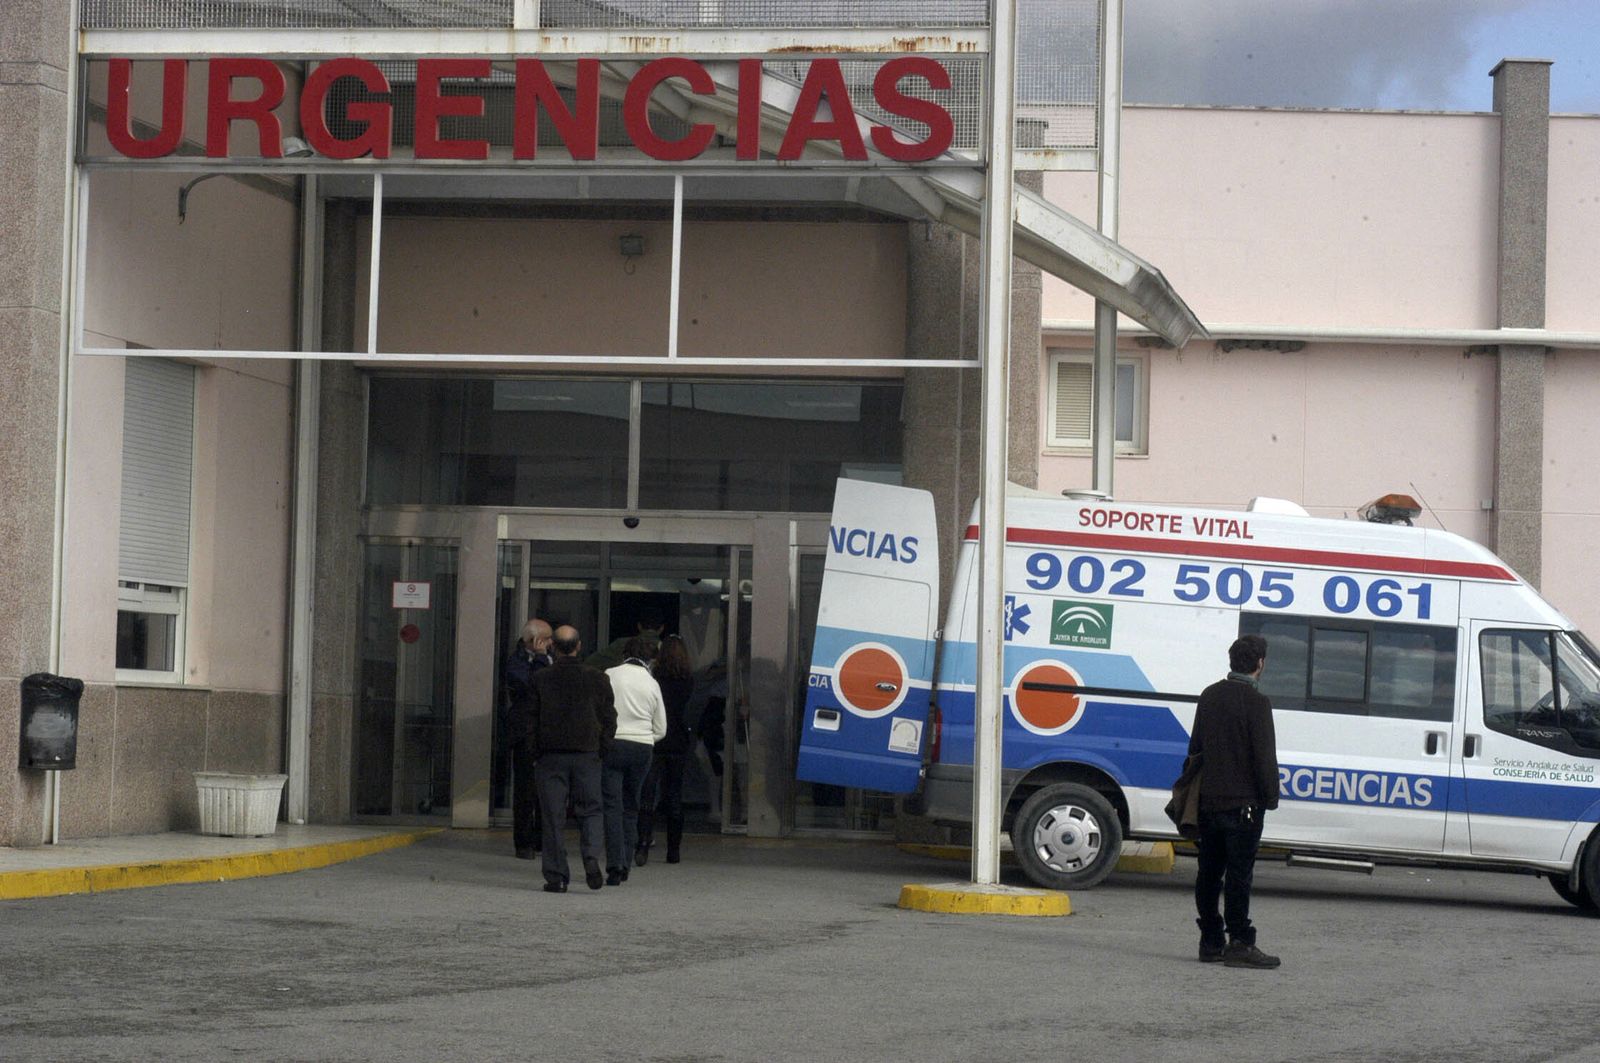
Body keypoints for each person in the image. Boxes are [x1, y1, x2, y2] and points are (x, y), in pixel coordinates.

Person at [1188, 634, 1281, 969]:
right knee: (1239, 876)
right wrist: (1271, 798)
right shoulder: (1257, 703)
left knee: (1209, 872)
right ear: (1259, 663)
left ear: (1232, 661)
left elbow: (1195, 746)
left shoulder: (1209, 696)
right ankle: (1239, 942)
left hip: (1209, 802)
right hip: (1245, 807)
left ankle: (1210, 940)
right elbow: (1264, 758)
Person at [528, 625, 616, 893]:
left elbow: (530, 720)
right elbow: (609, 719)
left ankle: (556, 876)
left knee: (552, 816)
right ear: (578, 646)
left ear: (553, 646)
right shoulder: (597, 678)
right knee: (591, 810)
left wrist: (534, 753)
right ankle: (590, 857)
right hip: (587, 754)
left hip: (551, 756)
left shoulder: (540, 678)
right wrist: (602, 748)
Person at [601, 636, 667, 885]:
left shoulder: (609, 674)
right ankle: (626, 863)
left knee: (612, 806)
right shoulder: (651, 683)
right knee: (631, 806)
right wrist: (646, 737)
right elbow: (661, 728)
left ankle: (614, 865)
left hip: (613, 744)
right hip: (641, 748)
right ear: (649, 658)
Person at [637, 633, 695, 865]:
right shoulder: (688, 680)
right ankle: (674, 851)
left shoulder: (654, 678)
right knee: (674, 795)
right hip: (678, 740)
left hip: (655, 739)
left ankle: (642, 846)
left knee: (648, 795)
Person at [502, 617, 552, 860]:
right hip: (525, 734)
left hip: (549, 733)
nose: (551, 643)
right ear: (535, 640)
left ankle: (543, 838)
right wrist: (541, 659)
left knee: (548, 790)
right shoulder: (517, 662)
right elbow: (534, 687)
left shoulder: (554, 658)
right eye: (547, 638)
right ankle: (524, 842)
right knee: (525, 791)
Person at [585, 609, 665, 672]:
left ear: (639, 626)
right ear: (662, 628)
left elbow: (591, 663)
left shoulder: (621, 644)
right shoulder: (669, 649)